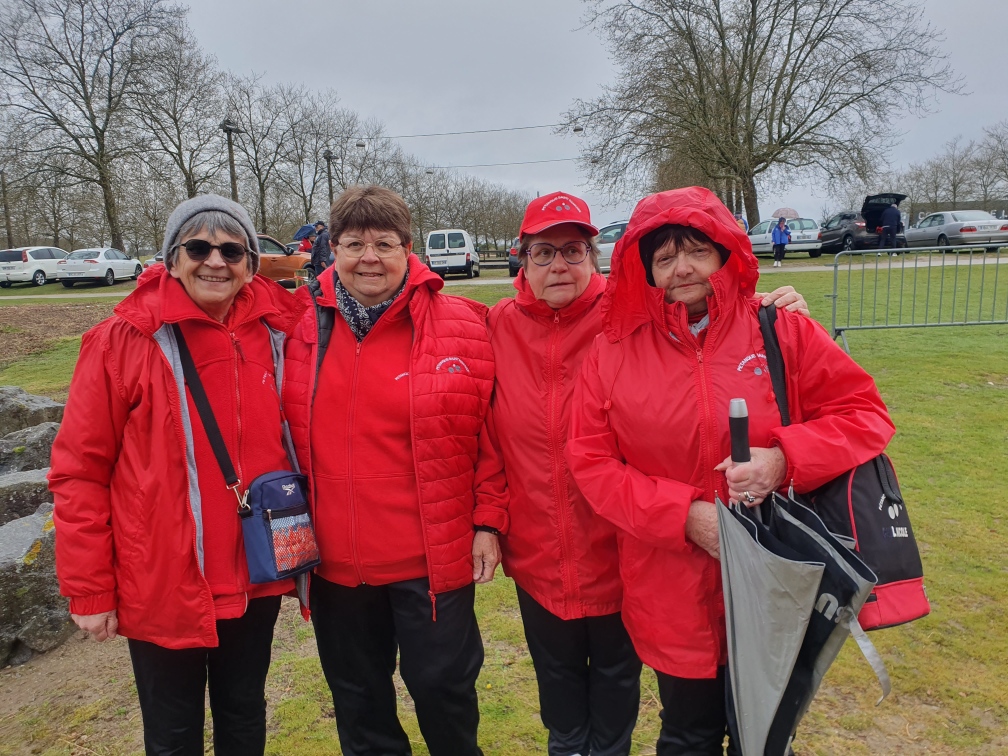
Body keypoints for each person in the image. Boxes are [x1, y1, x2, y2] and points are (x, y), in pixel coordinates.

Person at [566, 186, 896, 755]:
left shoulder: (780, 330)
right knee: (687, 732)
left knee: (766, 735)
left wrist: (783, 458)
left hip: (777, 575)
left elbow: (864, 414)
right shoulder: (612, 353)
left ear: (725, 254)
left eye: (696, 249)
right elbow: (591, 464)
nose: (682, 268)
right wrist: (683, 517)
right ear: (646, 271)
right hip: (672, 585)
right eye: (664, 258)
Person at [486, 191, 811, 756]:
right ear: (523, 261)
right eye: (543, 252)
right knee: (563, 709)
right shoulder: (493, 325)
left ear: (595, 256)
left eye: (573, 250)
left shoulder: (631, 319)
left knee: (623, 698)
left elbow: (712, 319)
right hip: (541, 552)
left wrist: (769, 307)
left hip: (624, 548)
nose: (559, 265)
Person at [48, 195, 306, 755]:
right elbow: (78, 471)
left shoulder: (278, 331)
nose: (216, 260)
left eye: (232, 249)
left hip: (253, 570)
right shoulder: (121, 341)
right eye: (198, 247)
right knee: (173, 733)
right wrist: (91, 588)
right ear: (172, 258)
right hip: (163, 576)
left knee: (244, 715)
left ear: (251, 263)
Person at [282, 185, 508, 756]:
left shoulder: (464, 324)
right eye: (354, 243)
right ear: (332, 249)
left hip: (430, 556)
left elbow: (491, 436)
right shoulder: (294, 326)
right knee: (359, 703)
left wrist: (489, 521)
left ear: (409, 248)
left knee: (443, 691)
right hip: (336, 563)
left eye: (385, 243)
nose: (370, 257)